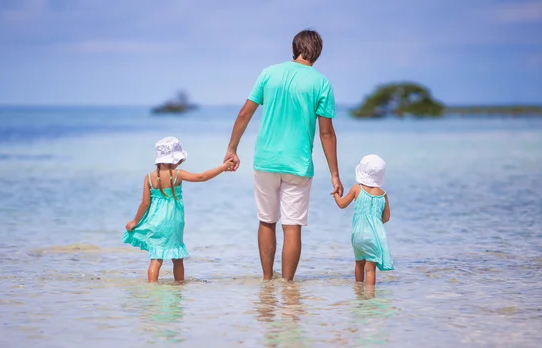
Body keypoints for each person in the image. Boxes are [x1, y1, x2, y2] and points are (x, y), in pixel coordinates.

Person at [224, 29, 343, 281]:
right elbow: (327, 134)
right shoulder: (321, 83)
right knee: (292, 226)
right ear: (317, 53)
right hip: (298, 164)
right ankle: (288, 286)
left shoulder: (269, 73)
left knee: (266, 221)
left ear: (294, 48)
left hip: (266, 160)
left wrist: (232, 149)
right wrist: (335, 175)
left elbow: (245, 113)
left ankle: (267, 281)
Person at [123, 136, 234, 282]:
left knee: (156, 258)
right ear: (175, 159)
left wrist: (135, 221)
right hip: (173, 222)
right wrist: (223, 167)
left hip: (155, 222)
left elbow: (144, 204)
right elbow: (201, 177)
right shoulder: (177, 175)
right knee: (177, 257)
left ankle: (151, 288)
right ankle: (179, 286)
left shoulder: (149, 177)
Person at [333, 154, 394, 285]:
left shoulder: (357, 188)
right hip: (374, 234)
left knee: (359, 262)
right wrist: (375, 222)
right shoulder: (383, 194)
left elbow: (342, 204)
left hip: (358, 234)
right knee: (370, 268)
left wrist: (336, 196)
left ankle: (358, 290)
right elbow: (387, 217)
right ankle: (370, 295)